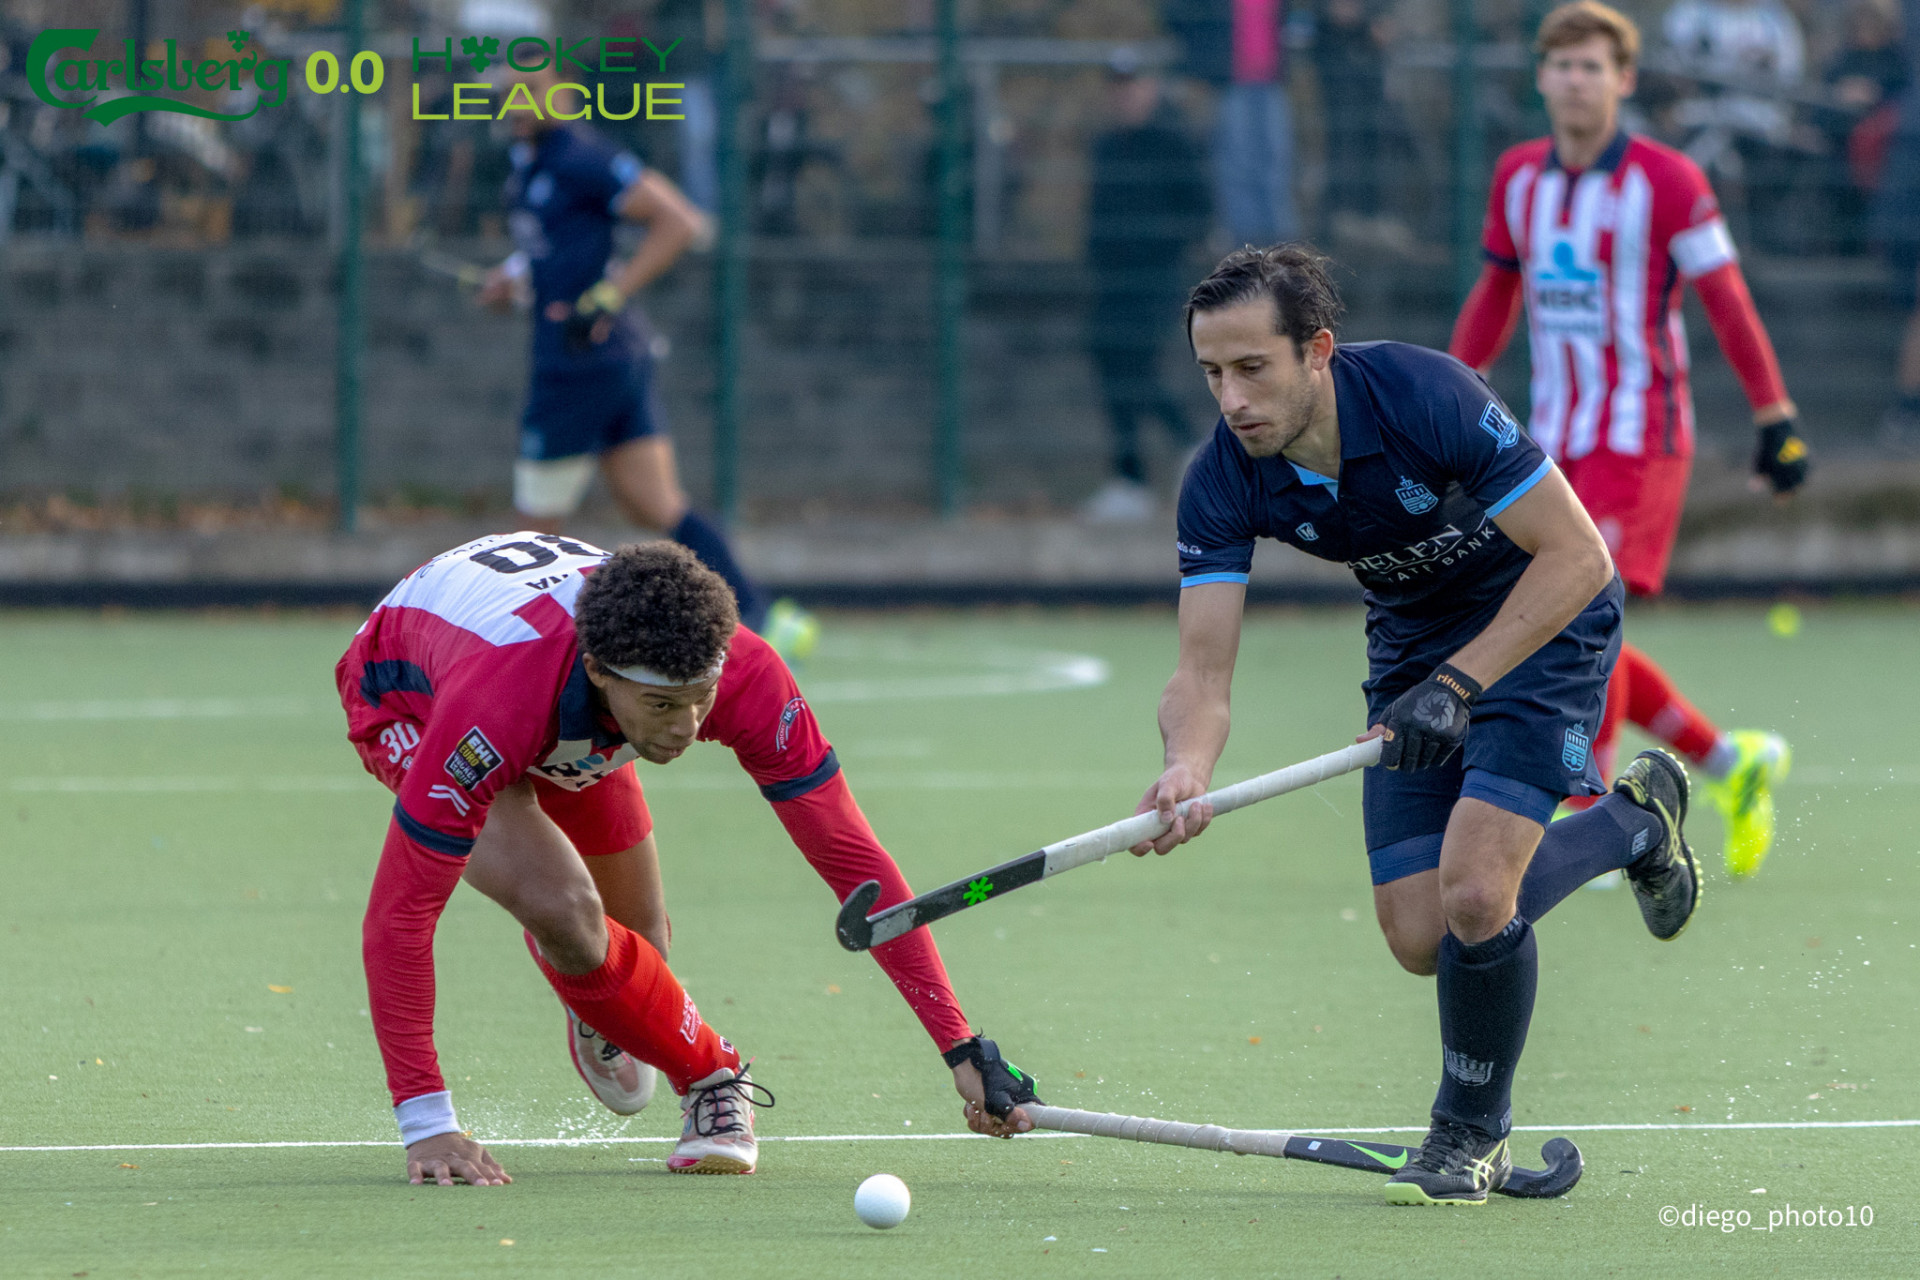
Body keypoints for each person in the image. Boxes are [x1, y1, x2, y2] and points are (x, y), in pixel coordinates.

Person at [1140, 245, 1700, 1205]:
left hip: (1542, 622)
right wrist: (1186, 765)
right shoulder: (1225, 476)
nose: (1232, 400)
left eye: (1253, 369)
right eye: (1212, 374)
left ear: (1318, 351)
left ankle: (1470, 1134)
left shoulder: (1425, 396)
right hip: (1414, 650)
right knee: (1420, 934)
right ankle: (1632, 824)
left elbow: (1579, 557)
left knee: (1477, 893)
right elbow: (1201, 670)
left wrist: (1462, 682)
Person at [336, 533, 1039, 1186]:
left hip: (577, 714)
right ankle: (715, 1078)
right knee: (564, 907)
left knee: (642, 950)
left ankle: (594, 990)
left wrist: (960, 1045)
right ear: (600, 671)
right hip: (412, 702)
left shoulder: (743, 670)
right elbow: (400, 915)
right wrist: (427, 1125)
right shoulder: (495, 703)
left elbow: (852, 858)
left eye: (701, 699)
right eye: (664, 705)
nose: (686, 728)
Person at [1449, 1, 1811, 878]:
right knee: (1562, 619)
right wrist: (1451, 398)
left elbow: (1726, 299)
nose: (1576, 81)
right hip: (1551, 444)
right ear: (1541, 78)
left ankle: (1591, 817)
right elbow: (1495, 293)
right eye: (1562, 65)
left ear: (1625, 81)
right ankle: (1728, 761)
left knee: (1582, 611)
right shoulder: (1518, 177)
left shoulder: (1669, 180)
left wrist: (1774, 415)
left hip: (1643, 438)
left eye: (1592, 67)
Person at [477, 66, 815, 656]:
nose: (512, 105)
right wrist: (513, 278)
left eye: (525, 93)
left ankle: (495, 651)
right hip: (612, 359)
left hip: (582, 364)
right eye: (505, 96)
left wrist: (608, 295)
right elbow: (556, 250)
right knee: (655, 506)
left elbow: (679, 221)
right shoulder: (528, 164)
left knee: (532, 529)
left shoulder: (581, 155)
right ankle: (760, 619)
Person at [1082, 55, 1212, 522]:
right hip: (1111, 281)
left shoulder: (1174, 143)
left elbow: (1199, 210)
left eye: (1133, 85)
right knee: (1109, 364)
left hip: (1155, 278)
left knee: (1137, 368)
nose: (1125, 95)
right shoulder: (1105, 146)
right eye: (1117, 87)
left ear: (1151, 89)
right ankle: (1130, 477)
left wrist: (1160, 245)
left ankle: (1186, 445)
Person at [1164, 0, 1302, 247]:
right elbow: (1177, 14)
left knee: (1276, 161)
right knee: (1236, 164)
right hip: (1231, 81)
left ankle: (1280, 245)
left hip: (1271, 80)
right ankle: (1246, 244)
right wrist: (1201, 55)